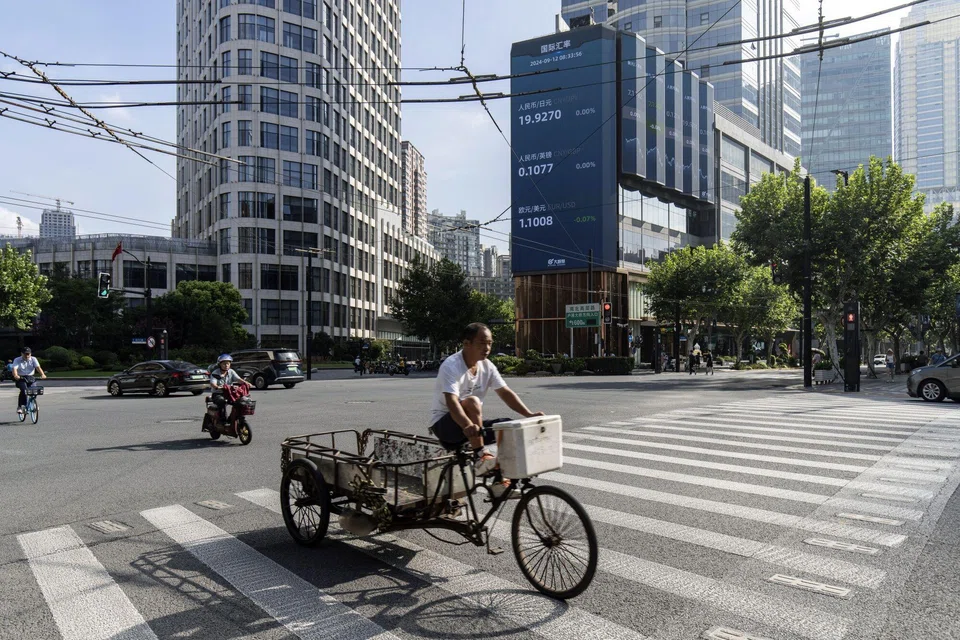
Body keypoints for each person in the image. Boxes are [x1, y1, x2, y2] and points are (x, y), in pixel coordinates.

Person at [429, 323, 543, 482]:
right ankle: (480, 458)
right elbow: (452, 402)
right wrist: (466, 425)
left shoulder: (487, 366)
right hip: (446, 426)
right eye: (482, 343)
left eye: (489, 343)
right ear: (466, 343)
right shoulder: (451, 365)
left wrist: (529, 414)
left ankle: (501, 480)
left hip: (472, 426)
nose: (487, 348)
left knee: (509, 427)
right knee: (473, 402)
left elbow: (505, 392)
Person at [209, 354, 251, 423]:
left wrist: (246, 383)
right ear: (220, 364)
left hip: (229, 393)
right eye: (224, 364)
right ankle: (222, 420)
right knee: (222, 401)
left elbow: (238, 379)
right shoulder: (215, 373)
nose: (226, 365)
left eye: (228, 363)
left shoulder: (231, 371)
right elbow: (213, 383)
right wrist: (217, 387)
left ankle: (232, 418)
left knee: (240, 402)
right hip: (218, 394)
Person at [12, 347, 46, 418]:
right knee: (24, 390)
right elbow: (14, 369)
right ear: (21, 354)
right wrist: (16, 375)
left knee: (34, 390)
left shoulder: (33, 359)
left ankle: (33, 403)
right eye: (25, 354)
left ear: (30, 353)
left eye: (28, 354)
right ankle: (20, 406)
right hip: (21, 378)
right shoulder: (17, 360)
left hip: (31, 377)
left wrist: (42, 374)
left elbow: (38, 368)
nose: (27, 356)